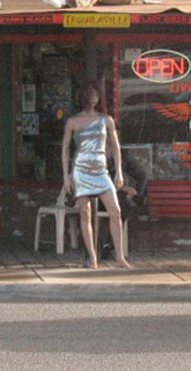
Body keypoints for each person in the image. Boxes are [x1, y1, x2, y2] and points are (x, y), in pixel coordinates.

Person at [61, 81, 130, 269]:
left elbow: (115, 147)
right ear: (83, 97)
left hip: (101, 169)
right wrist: (66, 177)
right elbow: (66, 149)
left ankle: (120, 256)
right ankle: (92, 258)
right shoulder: (72, 121)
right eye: (90, 94)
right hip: (81, 168)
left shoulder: (106, 120)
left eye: (96, 94)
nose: (93, 98)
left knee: (115, 210)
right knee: (85, 213)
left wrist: (119, 172)